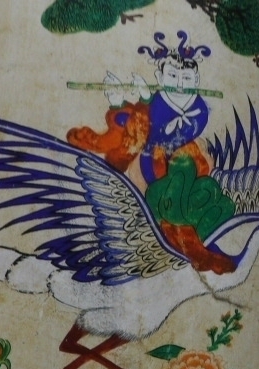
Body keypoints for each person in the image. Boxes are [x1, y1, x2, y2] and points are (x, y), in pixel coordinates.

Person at [68, 32, 236, 274]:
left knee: (204, 187)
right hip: (154, 163)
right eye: (173, 76)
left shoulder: (199, 107)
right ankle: (190, 245)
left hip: (185, 163)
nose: (180, 84)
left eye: (187, 78)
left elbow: (187, 134)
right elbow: (138, 127)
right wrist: (122, 103)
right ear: (160, 77)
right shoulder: (155, 103)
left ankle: (198, 238)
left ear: (197, 79)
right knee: (171, 188)